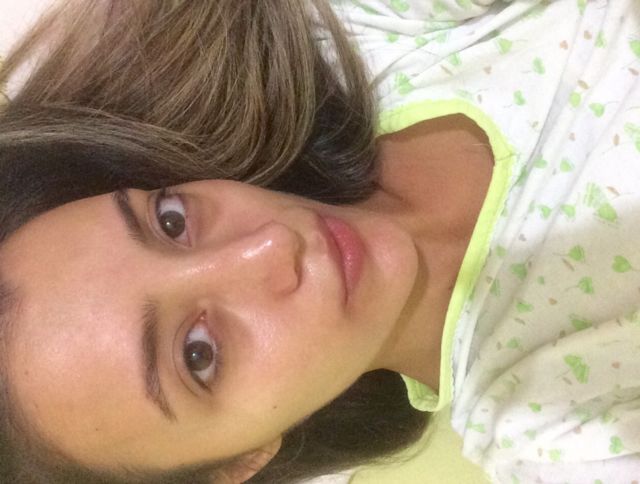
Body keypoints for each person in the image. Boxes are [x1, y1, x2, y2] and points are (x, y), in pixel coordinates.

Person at [0, 2, 638, 484]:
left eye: (170, 222)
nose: (269, 247)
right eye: (199, 354)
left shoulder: (368, 36)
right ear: (242, 461)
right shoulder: (559, 425)